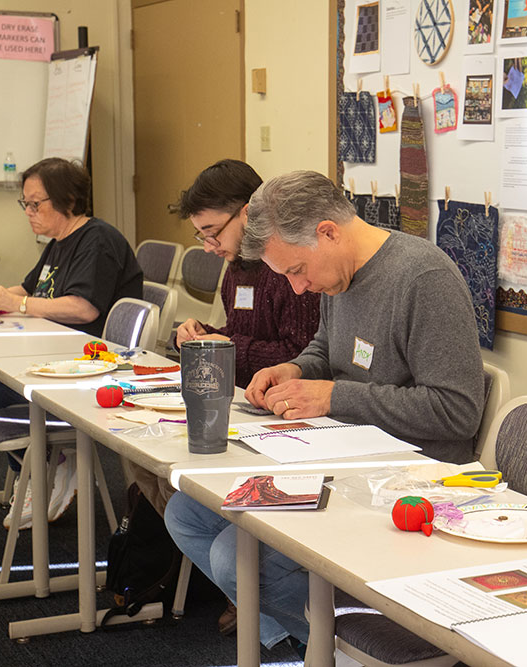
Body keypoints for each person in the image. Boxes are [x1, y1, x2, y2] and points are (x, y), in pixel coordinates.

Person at [165, 170, 484, 651]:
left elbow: (457, 412)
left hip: (410, 481)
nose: (297, 289)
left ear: (328, 232)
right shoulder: (337, 274)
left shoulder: (424, 279)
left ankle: (357, 650)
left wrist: (334, 397)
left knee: (236, 559)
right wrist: (293, 369)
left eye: (295, 271)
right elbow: (325, 352)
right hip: (342, 457)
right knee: (188, 513)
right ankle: (305, 643)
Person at [131, 159, 321, 522]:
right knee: (144, 460)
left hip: (279, 418)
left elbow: (299, 358)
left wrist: (225, 345)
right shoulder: (237, 268)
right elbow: (239, 329)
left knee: (178, 482)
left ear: (247, 214)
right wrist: (204, 333)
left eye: (212, 231)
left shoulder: (291, 270)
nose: (208, 246)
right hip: (240, 404)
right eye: (201, 235)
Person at [0, 157, 143, 530]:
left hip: (91, 360)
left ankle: (52, 464)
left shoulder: (97, 241)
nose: (28, 213)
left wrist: (19, 304)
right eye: (25, 204)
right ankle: (43, 466)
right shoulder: (58, 242)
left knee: (2, 392)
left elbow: (82, 307)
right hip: (56, 350)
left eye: (36, 203)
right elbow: (30, 289)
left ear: (69, 200)